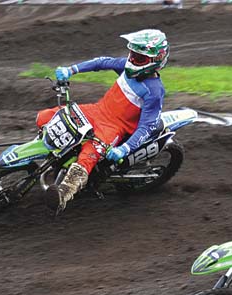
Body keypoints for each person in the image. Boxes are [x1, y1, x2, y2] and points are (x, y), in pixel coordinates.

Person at [38, 29, 170, 212]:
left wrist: (124, 148)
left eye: (139, 58)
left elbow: (147, 126)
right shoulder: (127, 66)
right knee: (45, 116)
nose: (132, 60)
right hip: (96, 110)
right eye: (132, 54)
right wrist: (71, 70)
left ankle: (63, 194)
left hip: (114, 127)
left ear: (155, 60)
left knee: (89, 155)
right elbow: (101, 62)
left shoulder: (154, 91)